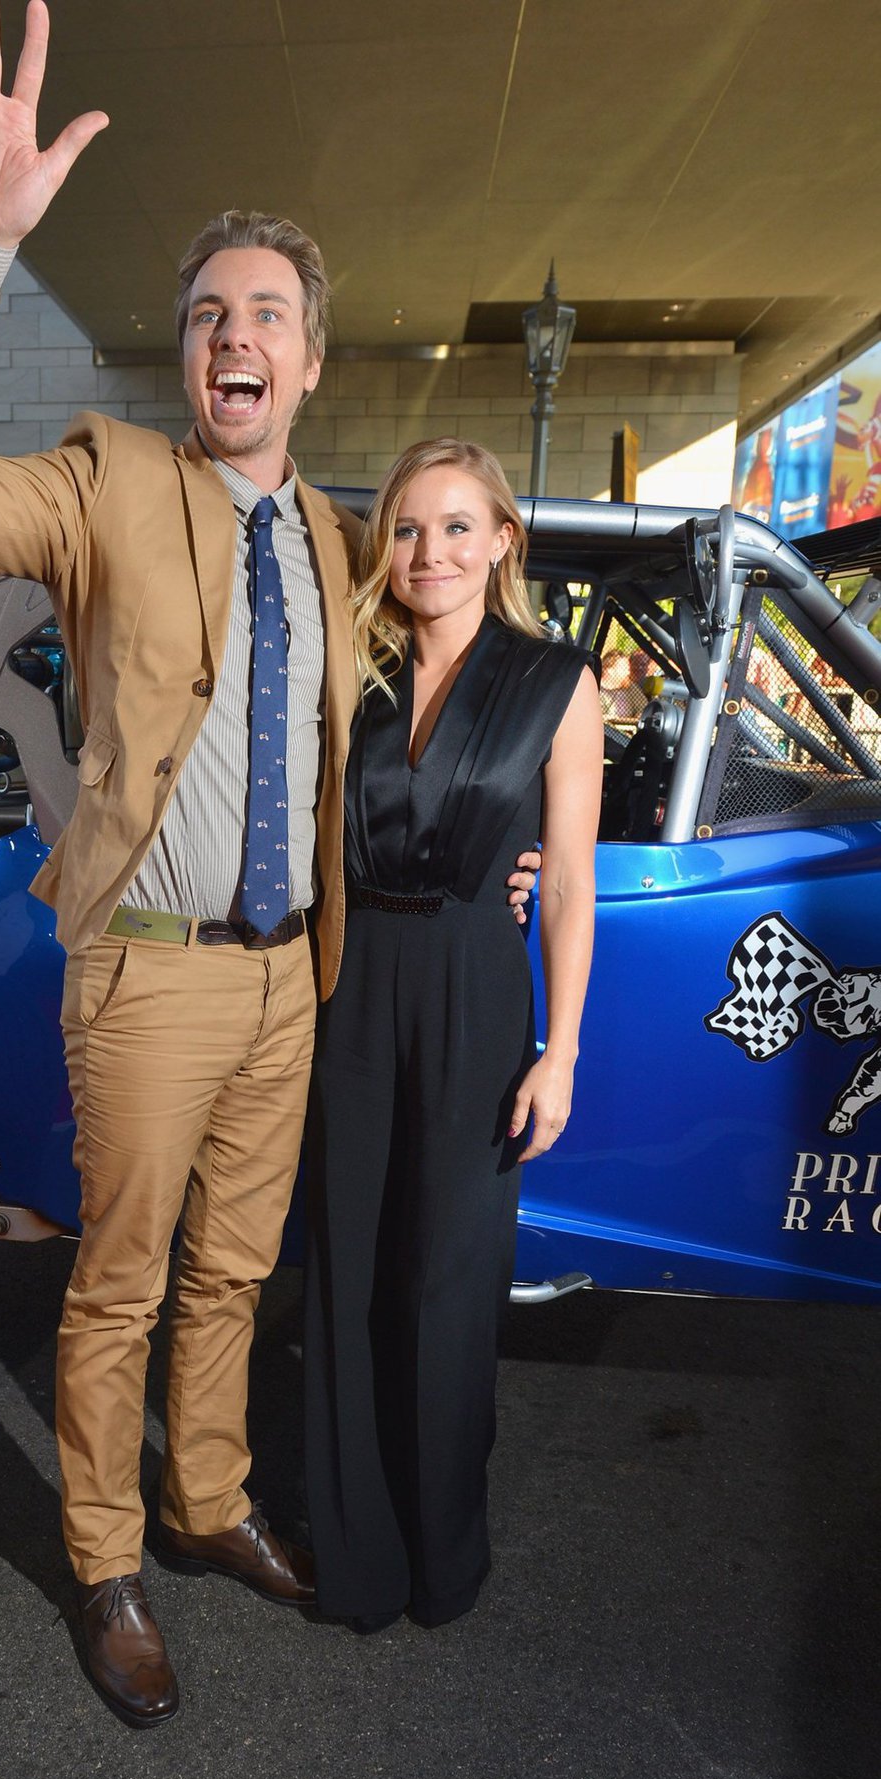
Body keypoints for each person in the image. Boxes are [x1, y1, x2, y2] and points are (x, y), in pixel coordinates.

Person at [0, 0, 537, 1728]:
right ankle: (105, 1561)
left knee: (239, 1271)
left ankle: (207, 1498)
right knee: (122, 1279)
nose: (233, 335)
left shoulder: (339, 541)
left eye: (266, 316)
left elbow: (438, 706)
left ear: (308, 364)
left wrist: (501, 857)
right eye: (207, 315)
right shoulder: (104, 483)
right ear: (187, 357)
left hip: (290, 978)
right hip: (151, 967)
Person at [304, 438, 602, 1635]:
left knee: (448, 1279)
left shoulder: (555, 681)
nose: (429, 551)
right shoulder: (350, 669)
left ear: (501, 542)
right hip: (347, 985)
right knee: (347, 1269)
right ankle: (357, 1557)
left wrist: (559, 1050)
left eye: (456, 526)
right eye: (407, 528)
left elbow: (566, 881)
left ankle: (442, 1555)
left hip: (478, 987)